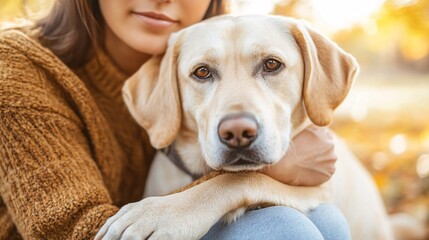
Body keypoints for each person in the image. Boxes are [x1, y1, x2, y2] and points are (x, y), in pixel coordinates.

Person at [0, 0, 350, 239]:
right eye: (202, 73)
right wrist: (258, 178)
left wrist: (243, 185)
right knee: (282, 227)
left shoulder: (209, 47)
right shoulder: (14, 66)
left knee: (326, 221)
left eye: (270, 66)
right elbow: (73, 232)